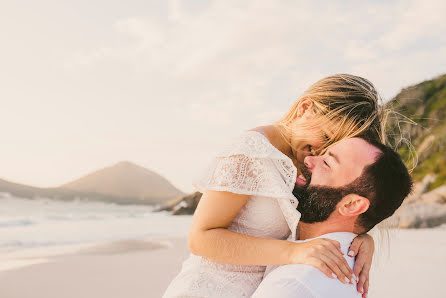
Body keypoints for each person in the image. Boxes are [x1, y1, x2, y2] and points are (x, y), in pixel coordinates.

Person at [163, 74, 387, 298]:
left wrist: (359, 238)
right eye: (326, 136)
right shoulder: (250, 151)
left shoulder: (308, 162)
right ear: (305, 108)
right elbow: (200, 239)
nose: (321, 152)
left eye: (334, 148)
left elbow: (317, 218)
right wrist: (293, 252)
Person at [252, 137, 413, 298]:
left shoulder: (291, 285)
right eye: (321, 154)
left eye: (327, 163)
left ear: (351, 205)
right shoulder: (342, 268)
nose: (308, 159)